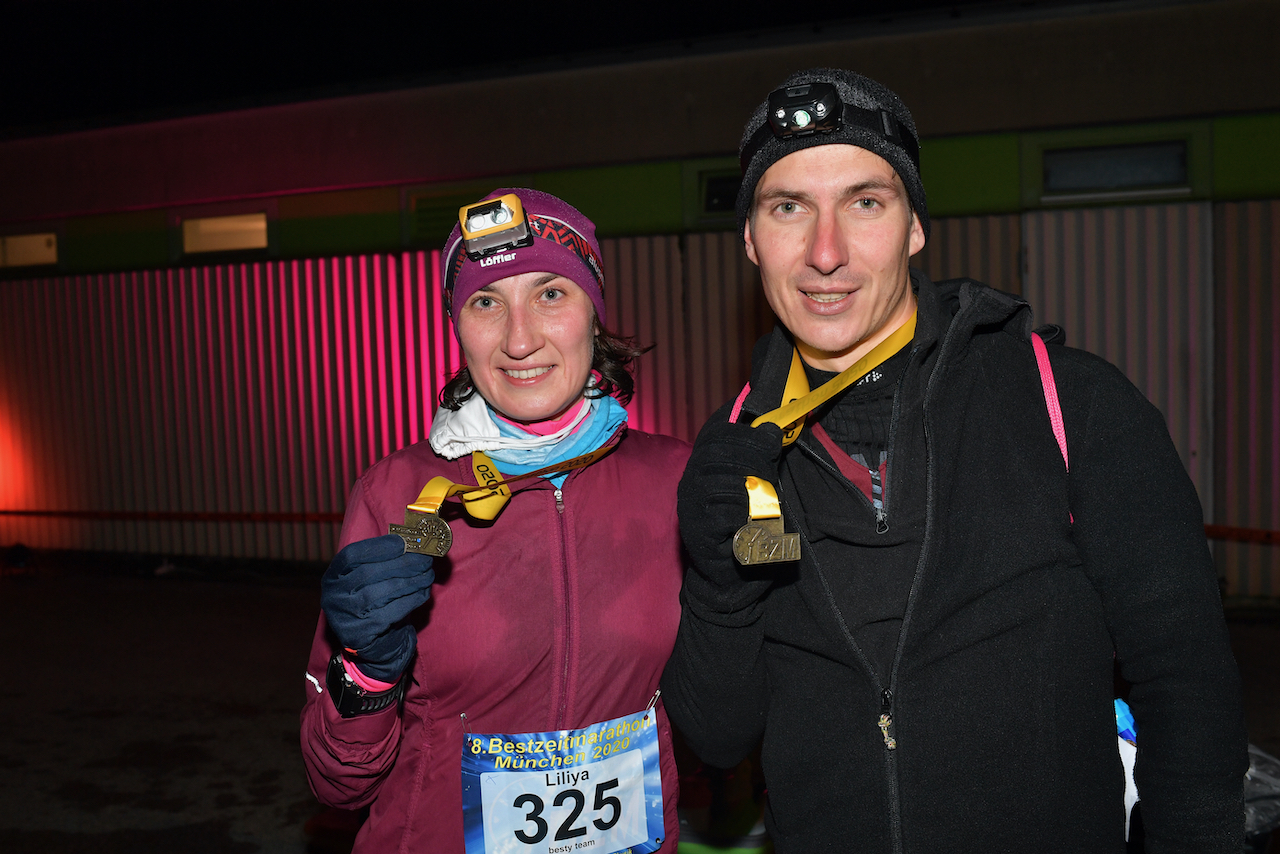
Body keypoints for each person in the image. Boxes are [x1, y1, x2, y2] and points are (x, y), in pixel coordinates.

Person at [660, 68, 1248, 853]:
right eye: (788, 207)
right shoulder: (738, 451)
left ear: (914, 228)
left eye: (865, 202)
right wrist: (720, 586)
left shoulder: (1067, 403)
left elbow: (1188, 683)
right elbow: (719, 738)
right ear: (749, 239)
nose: (824, 252)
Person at [301, 188, 689, 853]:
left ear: (594, 315)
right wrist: (366, 671)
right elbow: (338, 785)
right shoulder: (393, 494)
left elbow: (732, 718)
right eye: (487, 302)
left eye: (550, 294)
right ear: (457, 327)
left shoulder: (677, 482)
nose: (519, 338)